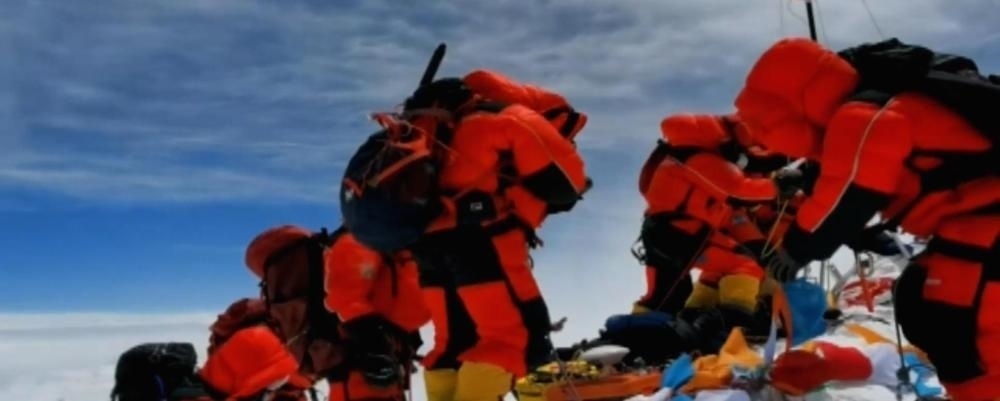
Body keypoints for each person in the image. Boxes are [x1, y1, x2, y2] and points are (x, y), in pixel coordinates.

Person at [733, 37, 999, 401]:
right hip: (971, 223)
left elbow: (852, 188)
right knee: (928, 306)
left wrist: (796, 248)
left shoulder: (863, 114)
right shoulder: (876, 110)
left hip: (984, 224)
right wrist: (808, 177)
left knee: (960, 323)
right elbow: (862, 165)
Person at [398, 71, 590, 401]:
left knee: (453, 345)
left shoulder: (427, 131)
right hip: (483, 247)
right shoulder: (506, 117)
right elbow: (566, 185)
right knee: (509, 340)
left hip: (427, 250)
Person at [634, 113, 795, 356]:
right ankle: (731, 327)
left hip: (668, 232)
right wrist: (779, 188)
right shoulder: (701, 159)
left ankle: (634, 343)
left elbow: (735, 202)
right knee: (743, 265)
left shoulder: (687, 152)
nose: (743, 158)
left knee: (664, 296)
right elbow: (739, 191)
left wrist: (757, 243)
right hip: (681, 234)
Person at [323, 230, 430, 401]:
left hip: (389, 359)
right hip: (363, 364)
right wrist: (373, 343)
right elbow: (344, 296)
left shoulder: (394, 241)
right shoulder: (362, 237)